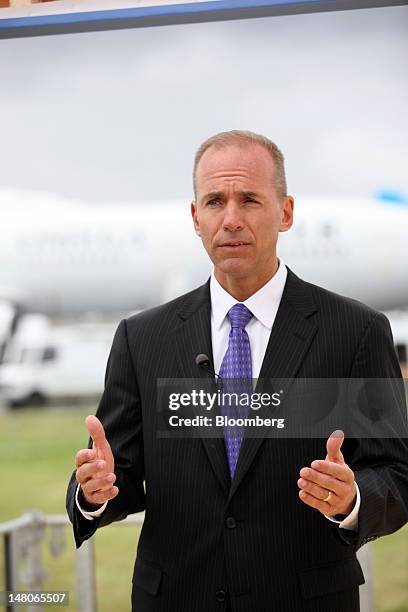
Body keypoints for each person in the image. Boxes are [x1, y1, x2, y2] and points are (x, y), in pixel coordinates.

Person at [66, 130, 408, 612]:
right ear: (195, 217)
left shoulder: (356, 332)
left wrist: (353, 501)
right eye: (214, 201)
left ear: (285, 212)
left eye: (249, 199)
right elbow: (116, 472)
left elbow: (396, 475)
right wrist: (94, 491)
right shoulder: (141, 339)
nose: (230, 219)